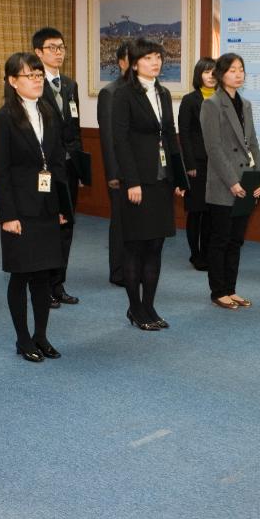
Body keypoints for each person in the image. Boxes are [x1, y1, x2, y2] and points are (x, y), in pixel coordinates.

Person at [0, 53, 68, 362]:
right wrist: (7, 215)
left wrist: (62, 206)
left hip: (47, 207)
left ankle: (41, 336)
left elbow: (58, 162)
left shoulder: (49, 112)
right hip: (20, 210)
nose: (37, 81)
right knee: (21, 275)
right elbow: (1, 171)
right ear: (12, 81)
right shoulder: (3, 119)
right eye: (29, 76)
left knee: (43, 277)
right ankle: (23, 339)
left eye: (39, 76)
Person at [112, 38, 186, 330]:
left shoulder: (164, 93)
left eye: (158, 57)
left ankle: (149, 306)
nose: (155, 62)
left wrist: (179, 178)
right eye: (148, 58)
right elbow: (120, 141)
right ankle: (134, 308)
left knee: (155, 245)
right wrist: (131, 181)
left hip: (161, 180)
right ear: (134, 63)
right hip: (138, 182)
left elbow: (170, 135)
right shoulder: (124, 94)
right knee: (135, 247)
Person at [201, 52, 260, 310]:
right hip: (224, 182)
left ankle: (231, 288)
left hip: (247, 181)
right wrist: (232, 182)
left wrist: (258, 177)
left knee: (237, 239)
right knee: (221, 238)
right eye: (232, 70)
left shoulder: (246, 104)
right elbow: (213, 148)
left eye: (241, 69)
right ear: (220, 74)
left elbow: (254, 143)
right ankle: (218, 291)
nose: (238, 74)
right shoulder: (212, 104)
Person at [34, 27, 84, 308]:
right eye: (52, 48)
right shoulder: (32, 84)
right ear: (39, 52)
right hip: (45, 169)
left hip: (68, 168)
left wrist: (77, 164)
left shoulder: (69, 85)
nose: (58, 53)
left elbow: (74, 127)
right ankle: (44, 286)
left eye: (62, 47)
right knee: (47, 227)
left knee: (67, 226)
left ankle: (58, 284)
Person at [97, 41, 131, 286]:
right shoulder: (110, 92)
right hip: (119, 171)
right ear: (122, 62)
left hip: (142, 171)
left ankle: (133, 268)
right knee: (121, 222)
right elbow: (108, 138)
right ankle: (118, 271)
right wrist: (113, 173)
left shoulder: (143, 91)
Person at [178, 57, 216, 271]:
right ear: (198, 75)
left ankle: (209, 252)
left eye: (214, 72)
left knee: (211, 211)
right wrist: (189, 163)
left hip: (217, 165)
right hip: (197, 164)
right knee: (196, 211)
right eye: (206, 71)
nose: (211, 76)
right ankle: (196, 255)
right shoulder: (190, 100)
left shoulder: (222, 99)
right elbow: (184, 133)